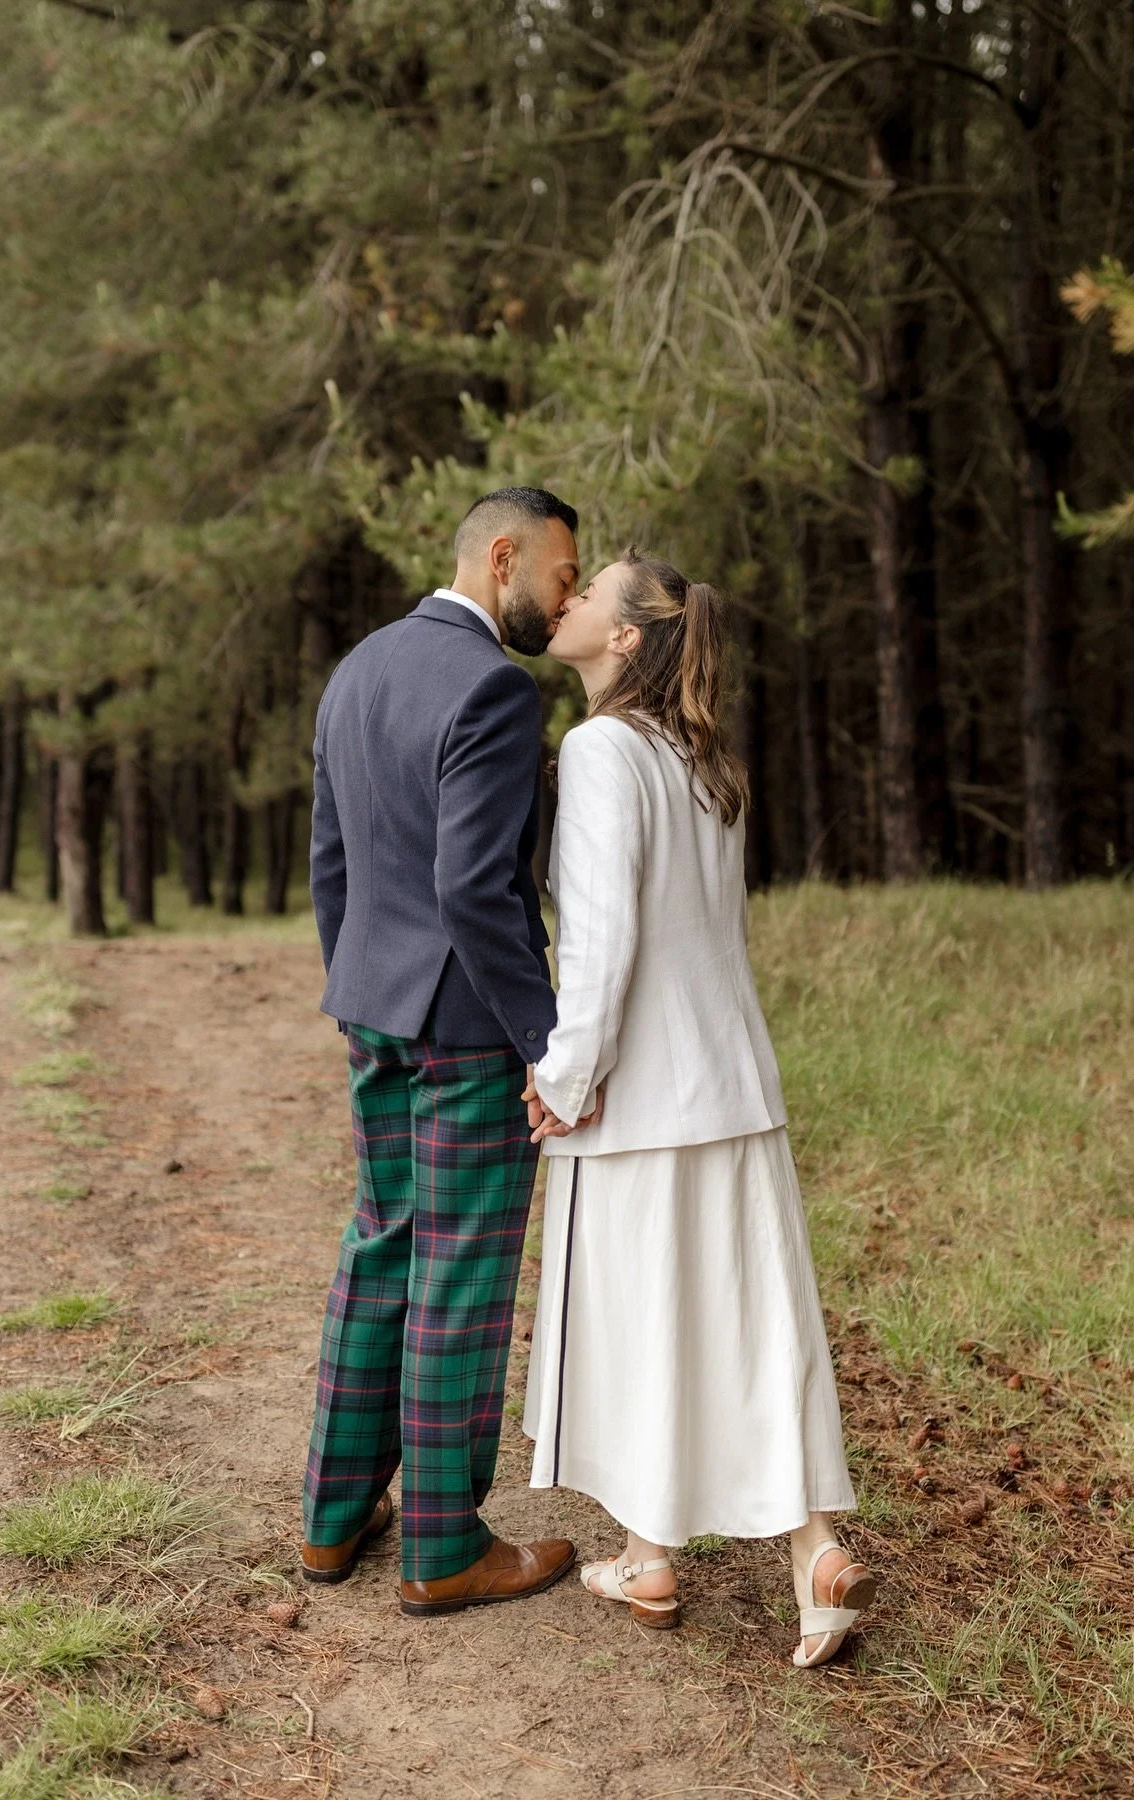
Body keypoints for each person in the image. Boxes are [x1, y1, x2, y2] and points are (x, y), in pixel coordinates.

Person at [523, 548, 877, 1667]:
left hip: (637, 1098)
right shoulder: (705, 757)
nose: (566, 599)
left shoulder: (597, 750)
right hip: (733, 1085)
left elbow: (601, 941)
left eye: (589, 594)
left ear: (626, 638)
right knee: (751, 1325)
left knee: (640, 1327)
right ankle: (797, 1549)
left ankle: (655, 1552)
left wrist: (563, 1078)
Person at [302, 485, 591, 1616]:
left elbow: (333, 858)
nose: (565, 595)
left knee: (380, 1249)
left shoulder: (362, 665)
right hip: (466, 1031)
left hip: (374, 1009)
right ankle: (441, 1547)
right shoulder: (491, 686)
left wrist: (360, 983)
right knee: (461, 1282)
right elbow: (479, 890)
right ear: (503, 556)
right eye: (563, 574)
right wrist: (546, 1041)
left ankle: (332, 1522)